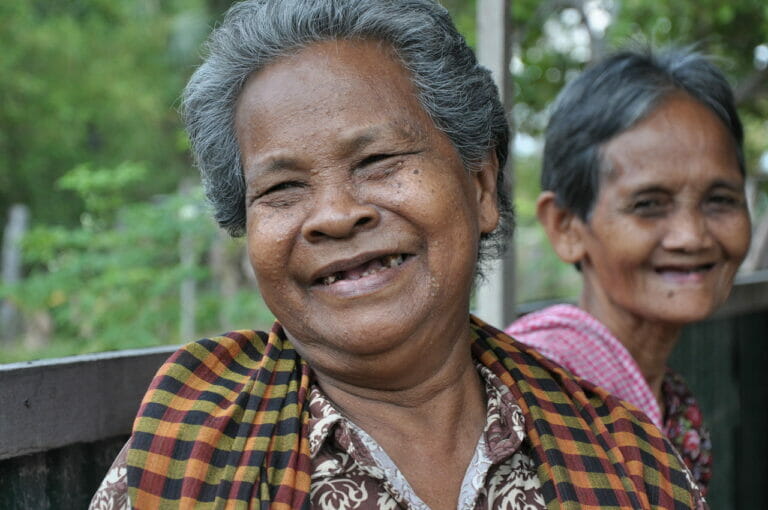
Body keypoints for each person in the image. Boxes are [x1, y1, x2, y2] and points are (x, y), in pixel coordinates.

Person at [90, 2, 707, 509]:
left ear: (482, 187)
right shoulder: (188, 452)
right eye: (281, 188)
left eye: (379, 161)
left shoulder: (626, 457)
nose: (335, 214)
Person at [506, 48, 751, 495]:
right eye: (648, 205)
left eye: (720, 200)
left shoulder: (669, 406)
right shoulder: (533, 399)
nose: (692, 236)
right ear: (565, 226)